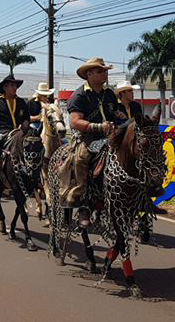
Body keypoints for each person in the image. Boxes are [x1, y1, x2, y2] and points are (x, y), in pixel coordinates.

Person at [63, 58, 117, 227]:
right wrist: (98, 126)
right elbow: (75, 121)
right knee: (82, 158)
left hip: (110, 137)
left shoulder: (109, 94)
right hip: (88, 138)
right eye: (100, 71)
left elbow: (114, 114)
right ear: (89, 74)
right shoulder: (79, 95)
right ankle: (82, 202)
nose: (105, 74)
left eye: (105, 71)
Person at [0, 74, 29, 191]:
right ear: (4, 87)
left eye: (15, 85)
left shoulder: (21, 102)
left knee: (35, 145)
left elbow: (26, 118)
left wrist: (24, 128)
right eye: (11, 85)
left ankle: (35, 176)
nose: (14, 87)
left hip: (19, 132)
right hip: (2, 132)